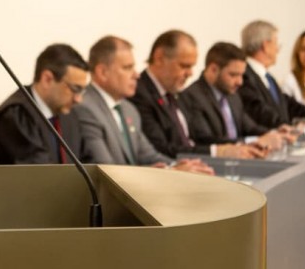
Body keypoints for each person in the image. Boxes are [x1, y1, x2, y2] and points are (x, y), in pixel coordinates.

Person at [74, 36, 214, 174]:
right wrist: (171, 171)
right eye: (127, 68)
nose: (136, 75)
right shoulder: (85, 108)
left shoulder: (129, 110)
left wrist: (181, 166)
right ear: (102, 72)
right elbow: (105, 169)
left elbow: (149, 155)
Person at [128, 30, 262, 159]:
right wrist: (216, 152)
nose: (190, 73)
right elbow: (161, 148)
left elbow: (199, 137)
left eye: (192, 67)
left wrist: (236, 146)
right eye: (184, 66)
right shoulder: (139, 94)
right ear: (159, 58)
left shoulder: (175, 93)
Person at [0, 44, 89, 164]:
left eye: (82, 91)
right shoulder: (16, 116)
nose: (78, 99)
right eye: (75, 89)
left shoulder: (69, 116)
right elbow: (39, 175)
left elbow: (87, 162)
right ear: (47, 79)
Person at [182, 42, 285, 151]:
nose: (240, 82)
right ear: (213, 69)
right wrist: (254, 141)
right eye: (233, 75)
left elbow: (250, 127)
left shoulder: (233, 96)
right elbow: (206, 140)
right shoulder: (192, 96)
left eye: (241, 75)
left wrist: (276, 133)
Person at [237, 20, 305, 131]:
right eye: (276, 43)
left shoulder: (268, 78)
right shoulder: (244, 76)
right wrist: (289, 127)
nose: (277, 49)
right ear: (266, 45)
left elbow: (290, 106)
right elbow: (260, 112)